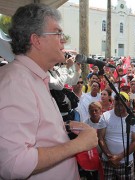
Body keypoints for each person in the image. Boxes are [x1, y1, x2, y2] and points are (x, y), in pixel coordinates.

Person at [0, 3, 97, 179]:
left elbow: (36, 129)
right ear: (36, 40)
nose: (64, 39)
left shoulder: (34, 77)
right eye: (58, 33)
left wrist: (65, 126)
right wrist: (78, 145)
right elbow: (13, 163)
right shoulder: (16, 82)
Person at [97, 92, 135, 179]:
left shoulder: (133, 119)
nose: (119, 106)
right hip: (107, 161)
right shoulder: (105, 116)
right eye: (117, 103)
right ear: (113, 102)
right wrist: (110, 157)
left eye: (122, 103)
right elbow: (100, 138)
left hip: (126, 162)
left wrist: (119, 157)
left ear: (128, 103)